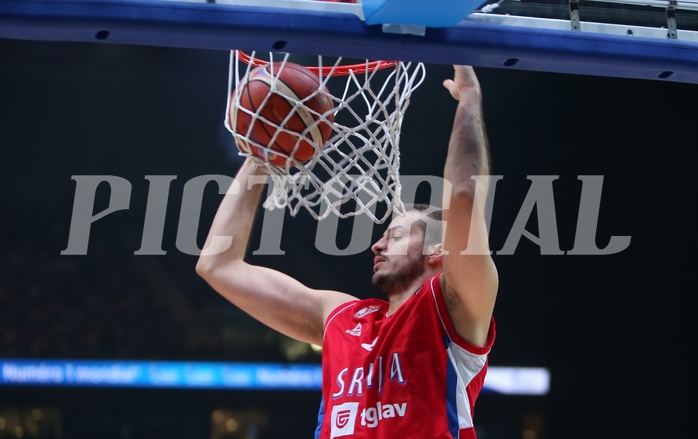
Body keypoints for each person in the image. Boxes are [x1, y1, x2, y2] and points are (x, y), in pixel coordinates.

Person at [196, 65, 499, 439]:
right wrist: (261, 155)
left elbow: (465, 196)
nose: (377, 243)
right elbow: (217, 265)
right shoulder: (341, 318)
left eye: (397, 234)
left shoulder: (455, 310)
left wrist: (469, 99)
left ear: (439, 248)